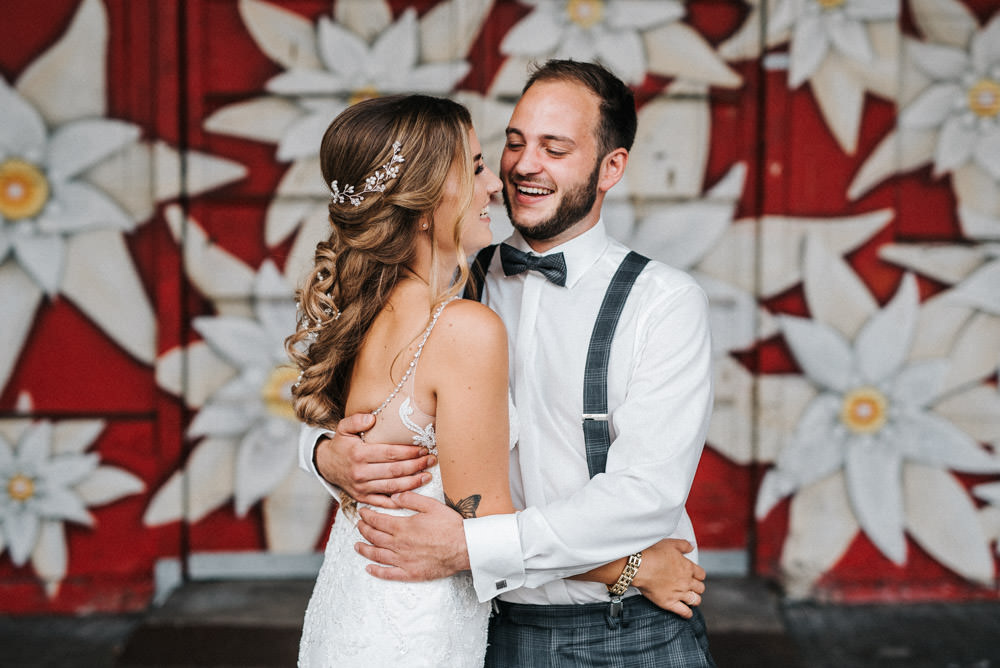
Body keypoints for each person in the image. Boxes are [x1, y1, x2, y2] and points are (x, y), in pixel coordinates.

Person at [300, 61, 716, 667]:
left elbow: (643, 496)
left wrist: (468, 546)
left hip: (615, 630)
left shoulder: (664, 303)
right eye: (514, 142)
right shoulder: (449, 285)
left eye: (556, 148)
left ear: (612, 167)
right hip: (477, 624)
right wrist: (324, 453)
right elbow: (354, 410)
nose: (519, 167)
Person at [286, 94, 511, 666]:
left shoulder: (363, 312)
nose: (494, 187)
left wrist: (321, 454)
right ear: (427, 202)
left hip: (350, 613)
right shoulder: (464, 329)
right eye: (478, 168)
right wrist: (630, 568)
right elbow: (488, 535)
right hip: (415, 630)